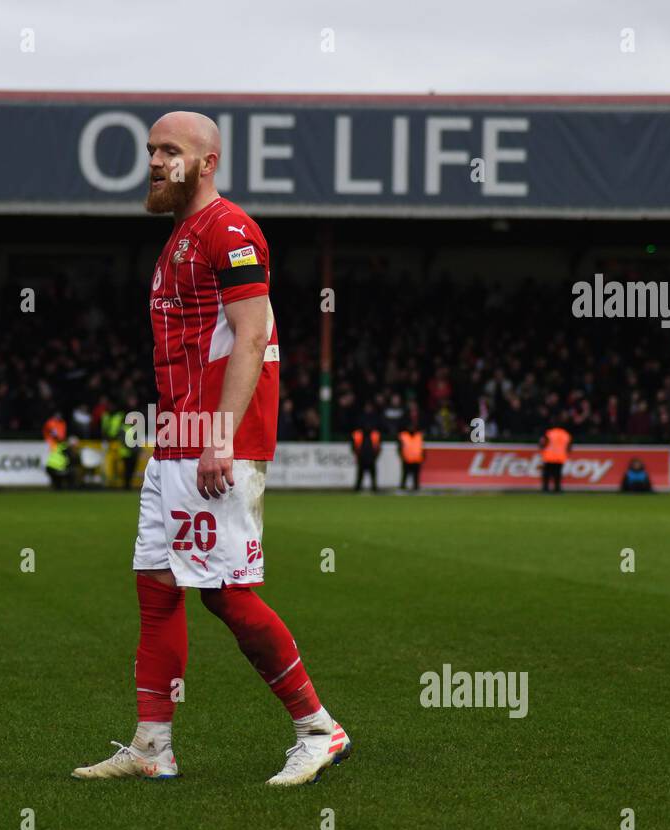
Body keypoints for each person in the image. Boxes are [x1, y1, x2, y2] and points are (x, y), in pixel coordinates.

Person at [73, 111, 349, 788]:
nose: (157, 161)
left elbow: (251, 338)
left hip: (214, 439)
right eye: (151, 150)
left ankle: (319, 729)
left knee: (227, 594)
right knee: (158, 590)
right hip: (175, 438)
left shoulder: (229, 229)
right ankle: (152, 746)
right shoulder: (178, 239)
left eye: (172, 151)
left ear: (207, 162)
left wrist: (219, 436)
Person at [539, 421, 571, 493]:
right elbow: (569, 446)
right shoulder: (565, 434)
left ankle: (545, 488)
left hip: (549, 456)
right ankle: (557, 488)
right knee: (557, 474)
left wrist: (541, 449)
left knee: (547, 474)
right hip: (560, 457)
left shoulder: (549, 433)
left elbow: (543, 443)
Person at [351, 427, 380, 492]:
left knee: (372, 474)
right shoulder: (358, 434)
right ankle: (358, 488)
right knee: (360, 474)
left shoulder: (375, 434)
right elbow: (353, 446)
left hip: (371, 458)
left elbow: (378, 447)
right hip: (362, 458)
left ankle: (374, 488)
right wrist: (358, 456)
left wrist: (375, 456)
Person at [398, 424, 424, 491]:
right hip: (407, 459)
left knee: (416, 476)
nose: (411, 429)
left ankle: (416, 488)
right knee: (405, 475)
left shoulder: (419, 435)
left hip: (417, 459)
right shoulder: (403, 435)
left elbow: (422, 447)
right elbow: (399, 448)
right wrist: (402, 457)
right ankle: (402, 487)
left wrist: (423, 457)